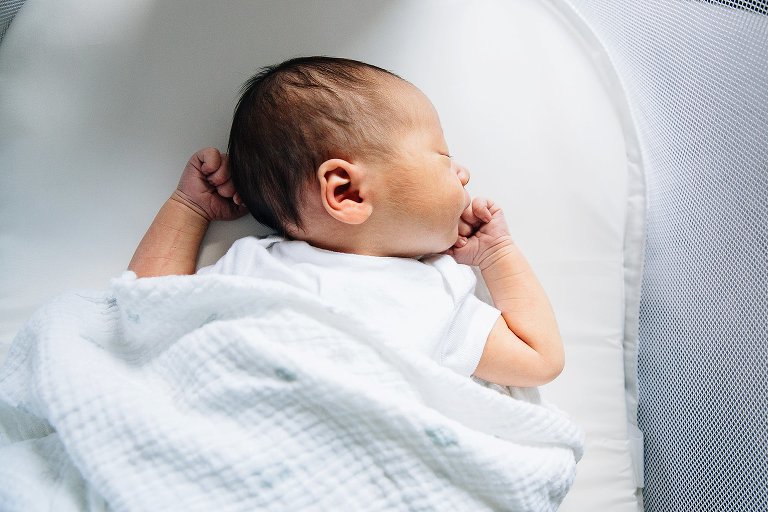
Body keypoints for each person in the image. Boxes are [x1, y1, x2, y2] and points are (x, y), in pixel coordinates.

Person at [128, 56, 564, 387]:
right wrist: (189, 207)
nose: (463, 173)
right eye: (442, 156)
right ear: (347, 192)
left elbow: (538, 361)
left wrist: (496, 257)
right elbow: (146, 313)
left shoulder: (435, 295)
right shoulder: (253, 267)